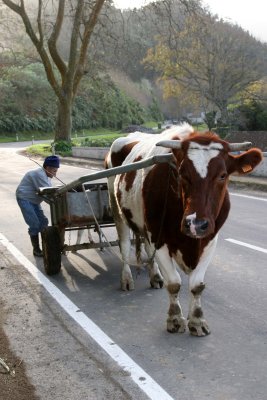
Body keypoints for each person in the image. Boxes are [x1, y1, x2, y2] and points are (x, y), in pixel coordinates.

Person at [16, 155, 60, 257]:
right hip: (25, 199)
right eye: (54, 171)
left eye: (56, 171)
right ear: (47, 168)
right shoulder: (39, 175)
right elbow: (46, 194)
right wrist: (57, 202)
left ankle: (45, 246)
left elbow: (49, 191)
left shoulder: (46, 176)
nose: (55, 173)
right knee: (34, 224)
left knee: (44, 222)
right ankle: (36, 249)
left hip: (35, 201)